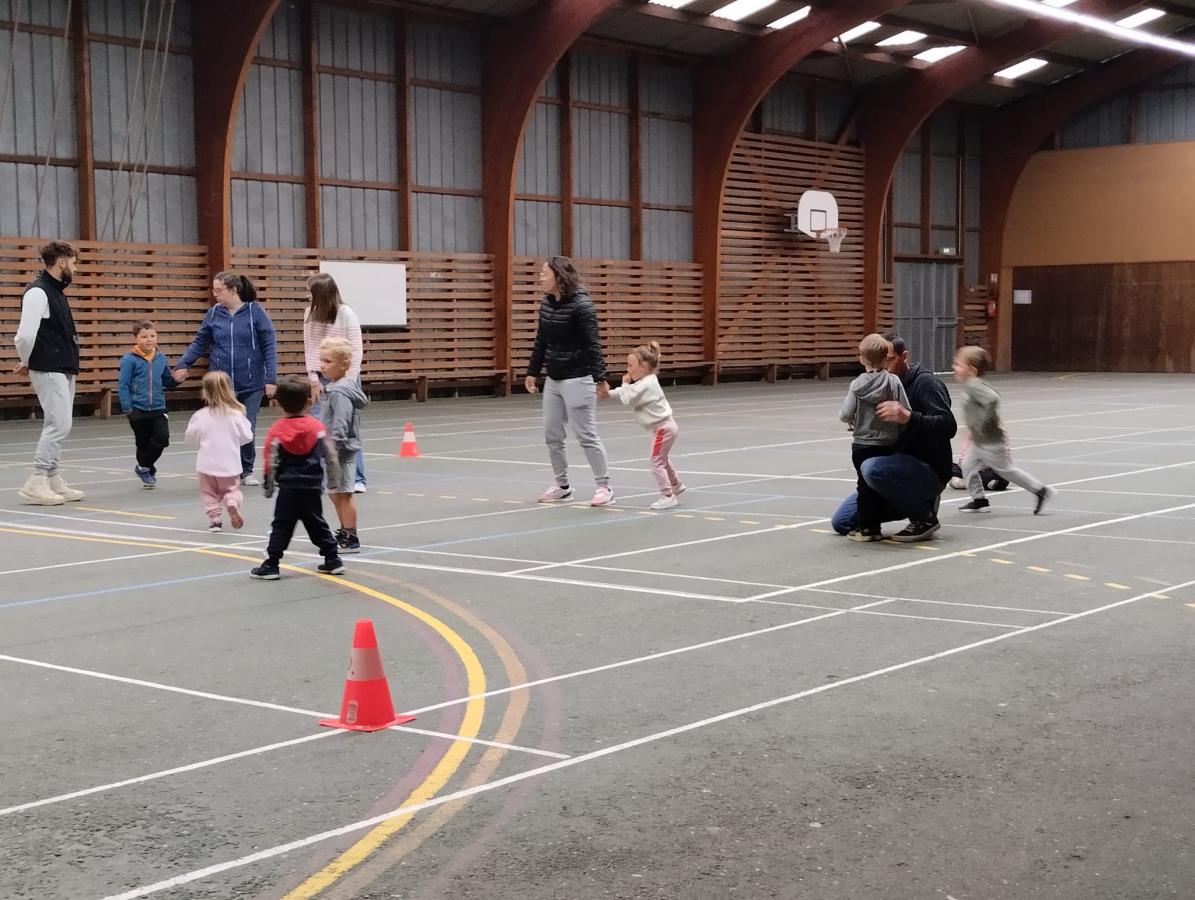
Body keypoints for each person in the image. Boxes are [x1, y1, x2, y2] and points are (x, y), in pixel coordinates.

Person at [830, 333, 957, 542]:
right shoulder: (870, 383)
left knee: (871, 468)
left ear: (903, 356)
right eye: (880, 359)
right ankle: (901, 507)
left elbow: (948, 425)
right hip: (889, 465)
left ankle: (924, 516)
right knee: (843, 521)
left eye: (889, 359)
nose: (883, 365)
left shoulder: (924, 383)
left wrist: (907, 417)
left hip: (925, 468)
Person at [525, 256, 613, 507]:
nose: (540, 278)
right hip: (554, 378)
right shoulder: (546, 304)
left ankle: (604, 486)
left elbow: (592, 344)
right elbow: (541, 340)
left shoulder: (582, 306)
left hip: (579, 377)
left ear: (558, 276)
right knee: (552, 435)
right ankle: (562, 486)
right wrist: (533, 372)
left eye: (544, 273)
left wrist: (599, 378)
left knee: (586, 435)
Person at [174, 271, 277, 486]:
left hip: (251, 381)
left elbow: (269, 346)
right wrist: (184, 364)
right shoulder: (213, 314)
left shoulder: (255, 312)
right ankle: (223, 469)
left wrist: (270, 378)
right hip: (221, 383)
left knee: (247, 424)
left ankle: (246, 470)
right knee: (220, 426)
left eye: (218, 290)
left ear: (233, 290)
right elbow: (200, 341)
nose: (215, 294)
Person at [251, 376, 345, 580]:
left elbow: (271, 459)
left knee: (281, 526)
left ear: (278, 405)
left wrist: (268, 485)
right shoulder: (317, 428)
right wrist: (333, 481)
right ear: (309, 402)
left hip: (289, 489)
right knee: (317, 523)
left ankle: (272, 564)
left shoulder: (277, 430)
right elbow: (331, 455)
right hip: (312, 487)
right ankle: (333, 558)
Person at [13, 241, 85, 505]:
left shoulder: (56, 292)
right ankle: (37, 479)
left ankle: (52, 478)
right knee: (59, 424)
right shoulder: (38, 293)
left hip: (62, 366)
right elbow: (25, 335)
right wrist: (26, 359)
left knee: (58, 423)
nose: (75, 268)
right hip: (48, 366)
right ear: (62, 262)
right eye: (73, 262)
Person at [953, 345, 1056, 515]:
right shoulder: (971, 385)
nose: (954, 368)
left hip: (990, 442)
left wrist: (983, 421)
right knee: (967, 465)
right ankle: (979, 501)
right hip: (979, 441)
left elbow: (993, 399)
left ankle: (1041, 491)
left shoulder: (974, 385)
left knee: (1006, 471)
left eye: (958, 364)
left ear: (971, 369)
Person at [838, 334, 911, 541]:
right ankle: (875, 522)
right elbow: (905, 408)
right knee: (879, 484)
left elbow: (845, 414)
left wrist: (853, 419)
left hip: (863, 443)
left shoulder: (857, 385)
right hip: (888, 442)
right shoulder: (893, 381)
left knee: (864, 486)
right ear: (884, 357)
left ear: (862, 358)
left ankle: (868, 527)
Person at [303, 272, 366, 493]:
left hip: (345, 377)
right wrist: (313, 379)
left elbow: (356, 350)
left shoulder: (346, 313)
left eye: (310, 292)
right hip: (322, 376)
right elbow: (310, 348)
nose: (308, 297)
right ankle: (324, 477)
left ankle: (356, 477)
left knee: (346, 427)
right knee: (321, 426)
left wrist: (346, 383)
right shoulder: (310, 314)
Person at [607, 340, 686, 511]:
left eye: (630, 365)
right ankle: (676, 484)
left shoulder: (646, 384)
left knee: (656, 461)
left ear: (643, 366)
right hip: (666, 426)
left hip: (663, 428)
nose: (627, 369)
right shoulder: (647, 381)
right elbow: (625, 393)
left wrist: (625, 382)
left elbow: (628, 397)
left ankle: (667, 496)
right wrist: (608, 393)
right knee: (662, 459)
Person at [184, 372, 253, 531]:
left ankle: (215, 520)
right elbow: (247, 437)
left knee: (209, 493)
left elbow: (190, 438)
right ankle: (231, 503)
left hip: (206, 464)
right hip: (230, 465)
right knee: (231, 490)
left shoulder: (200, 416)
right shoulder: (236, 415)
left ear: (205, 392)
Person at [318, 337, 368, 554]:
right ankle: (344, 530)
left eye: (327, 361)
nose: (322, 365)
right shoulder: (334, 388)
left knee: (344, 493)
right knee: (334, 492)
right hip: (331, 448)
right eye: (322, 360)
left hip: (340, 450)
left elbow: (341, 423)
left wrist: (333, 449)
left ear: (344, 365)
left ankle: (350, 535)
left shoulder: (340, 392)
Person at [118, 320, 180, 488]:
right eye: (144, 336)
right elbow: (123, 385)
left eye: (152, 335)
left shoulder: (160, 357)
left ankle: (143, 467)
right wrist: (128, 408)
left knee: (162, 438)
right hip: (138, 408)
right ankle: (148, 469)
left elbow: (167, 380)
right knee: (143, 442)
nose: (149, 339)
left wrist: (178, 379)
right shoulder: (129, 359)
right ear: (136, 338)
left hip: (158, 407)